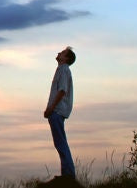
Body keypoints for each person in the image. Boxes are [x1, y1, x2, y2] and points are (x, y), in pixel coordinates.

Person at [44, 46, 77, 184]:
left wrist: (51, 108)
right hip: (57, 111)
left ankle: (68, 174)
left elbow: (62, 91)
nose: (59, 53)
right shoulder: (62, 69)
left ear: (66, 58)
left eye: (62, 53)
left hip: (57, 111)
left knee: (60, 142)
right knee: (60, 142)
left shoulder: (63, 69)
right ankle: (67, 174)